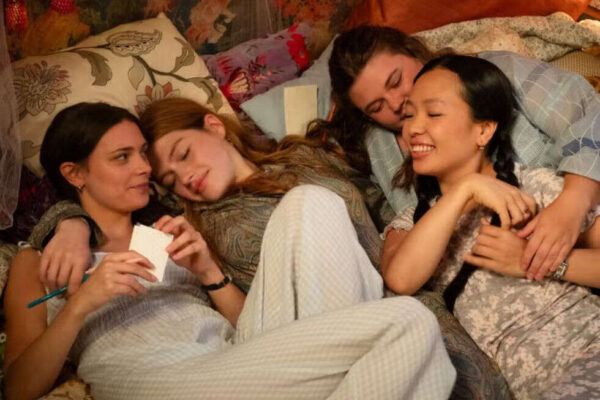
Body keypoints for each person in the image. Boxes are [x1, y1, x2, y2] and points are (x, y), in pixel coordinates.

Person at [3, 102, 456, 400]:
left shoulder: (169, 226)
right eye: (122, 158)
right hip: (162, 382)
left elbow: (252, 334)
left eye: (142, 154)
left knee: (310, 200)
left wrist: (209, 273)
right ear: (75, 174)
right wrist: (81, 303)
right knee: (411, 325)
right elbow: (17, 388)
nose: (143, 167)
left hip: (239, 361)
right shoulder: (38, 259)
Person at [381, 54, 600, 399]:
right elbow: (400, 278)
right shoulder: (412, 221)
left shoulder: (535, 187)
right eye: (409, 115)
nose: (413, 128)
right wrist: (466, 190)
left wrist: (535, 261)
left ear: (483, 130)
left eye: (433, 114)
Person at [309, 25, 600, 283]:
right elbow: (409, 253)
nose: (397, 104)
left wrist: (572, 203)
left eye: (396, 81)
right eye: (376, 107)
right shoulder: (382, 149)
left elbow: (590, 112)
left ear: (414, 51)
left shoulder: (494, 73)